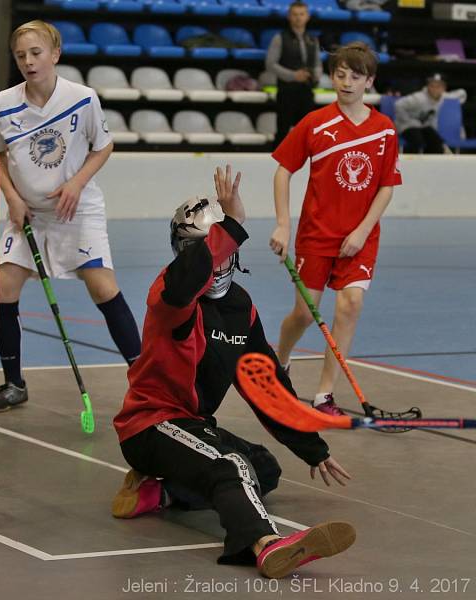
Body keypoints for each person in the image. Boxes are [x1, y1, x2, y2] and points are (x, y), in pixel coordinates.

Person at [112, 165, 355, 580]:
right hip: (150, 426)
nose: (214, 259)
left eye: (217, 246)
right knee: (230, 464)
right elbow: (190, 276)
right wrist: (234, 222)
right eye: (199, 248)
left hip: (193, 425)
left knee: (264, 468)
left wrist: (312, 446)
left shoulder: (242, 307)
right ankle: (264, 545)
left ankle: (159, 491)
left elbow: (266, 385)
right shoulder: (171, 296)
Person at [0, 20, 141, 410]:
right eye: (21, 55)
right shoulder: (4, 102)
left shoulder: (82, 98)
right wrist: (13, 199)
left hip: (77, 209)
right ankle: (15, 383)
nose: (28, 61)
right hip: (28, 213)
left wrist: (76, 183)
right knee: (3, 290)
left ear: (55, 54)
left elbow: (103, 147)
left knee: (103, 288)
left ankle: (145, 381)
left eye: (36, 53)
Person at [269, 42, 402, 416]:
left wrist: (361, 231)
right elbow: (283, 171)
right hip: (316, 234)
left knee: (350, 303)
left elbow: (387, 186)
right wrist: (283, 223)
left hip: (360, 237)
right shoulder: (315, 123)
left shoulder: (384, 131)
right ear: (332, 77)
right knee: (305, 313)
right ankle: (279, 362)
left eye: (355, 76)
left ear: (369, 81)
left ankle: (325, 394)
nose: (346, 82)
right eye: (340, 74)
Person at [265, 1, 322, 148]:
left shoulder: (313, 40)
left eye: (301, 14)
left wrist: (315, 75)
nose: (298, 18)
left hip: (306, 90)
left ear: (307, 16)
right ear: (289, 17)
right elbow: (270, 64)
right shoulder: (280, 38)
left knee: (307, 132)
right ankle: (276, 165)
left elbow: (317, 63)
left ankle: (306, 164)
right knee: (282, 132)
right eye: (295, 14)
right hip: (286, 91)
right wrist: (292, 75)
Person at [394, 73, 449, 154]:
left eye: (438, 87)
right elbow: (398, 105)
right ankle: (410, 163)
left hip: (422, 126)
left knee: (437, 142)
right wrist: (407, 121)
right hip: (406, 125)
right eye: (432, 86)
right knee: (417, 141)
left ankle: (430, 164)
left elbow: (433, 116)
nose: (434, 89)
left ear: (444, 88)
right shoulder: (418, 98)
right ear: (428, 86)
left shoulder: (441, 99)